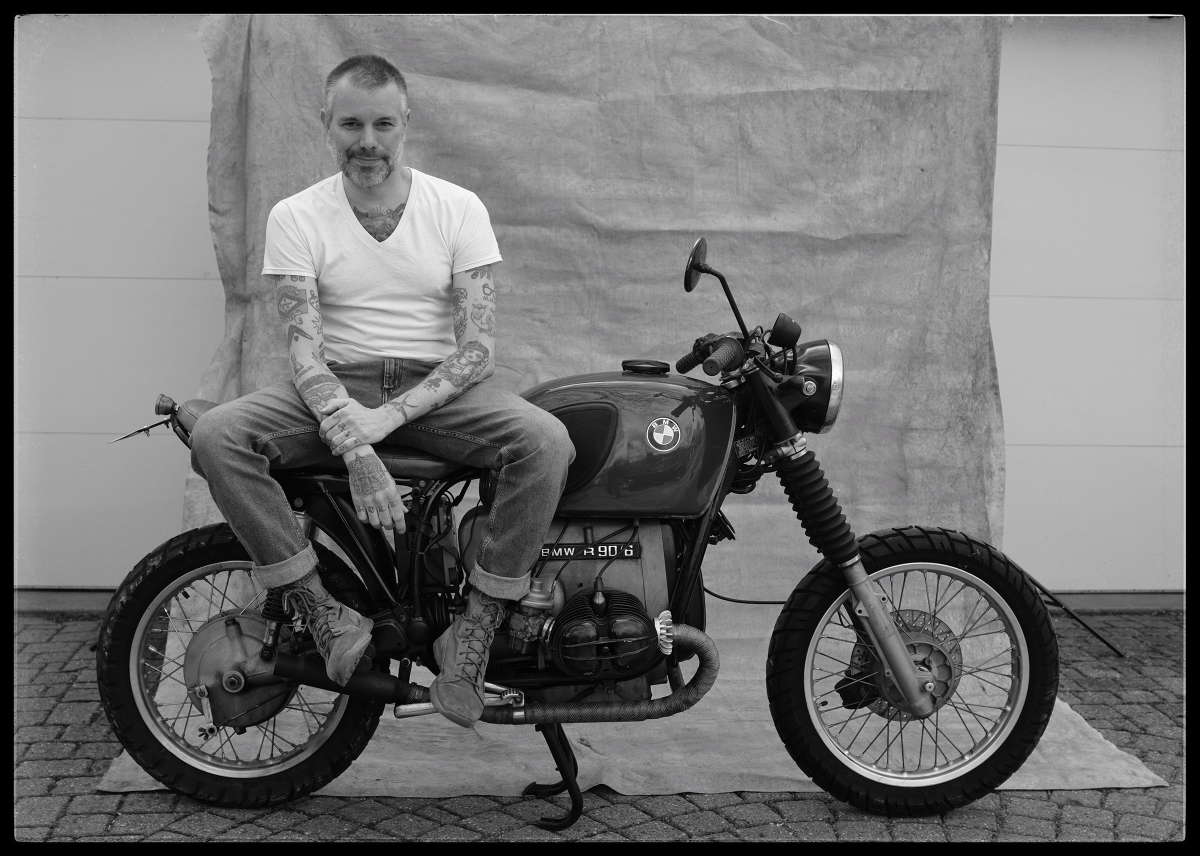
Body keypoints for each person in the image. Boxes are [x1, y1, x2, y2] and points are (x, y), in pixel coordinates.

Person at [190, 55, 575, 728]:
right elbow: (305, 351)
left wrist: (385, 419)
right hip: (334, 384)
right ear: (325, 123)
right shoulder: (296, 215)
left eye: (382, 124)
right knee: (219, 434)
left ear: (405, 124)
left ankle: (474, 631)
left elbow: (478, 349)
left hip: (438, 390)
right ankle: (321, 609)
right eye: (351, 124)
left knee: (546, 442)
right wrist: (356, 444)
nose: (367, 141)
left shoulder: (457, 208)